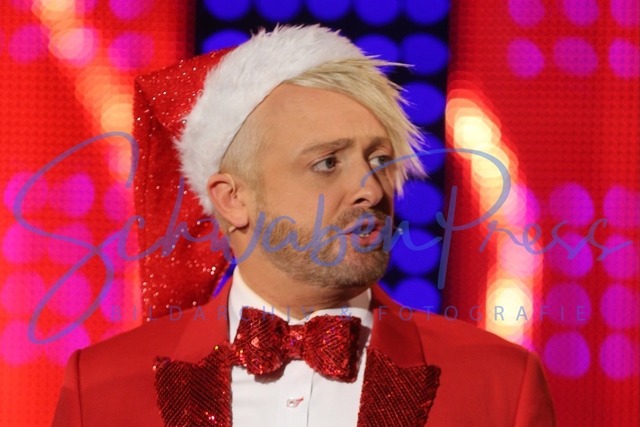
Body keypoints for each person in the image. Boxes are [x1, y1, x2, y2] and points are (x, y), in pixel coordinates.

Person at [52, 25, 556, 426]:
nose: (371, 190)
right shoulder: (100, 387)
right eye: (327, 163)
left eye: (380, 161)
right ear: (232, 199)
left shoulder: (499, 384)